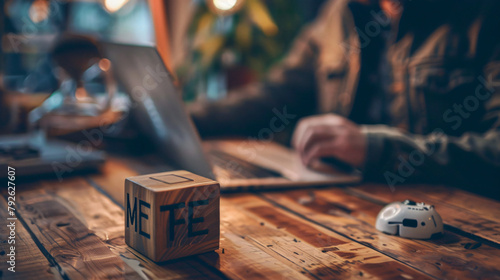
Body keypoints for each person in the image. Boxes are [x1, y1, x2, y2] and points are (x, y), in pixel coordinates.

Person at [189, 0, 500, 192]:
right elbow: (274, 95)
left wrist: (375, 148)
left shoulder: (485, 14)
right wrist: (186, 118)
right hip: (343, 210)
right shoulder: (338, 14)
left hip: (450, 227)